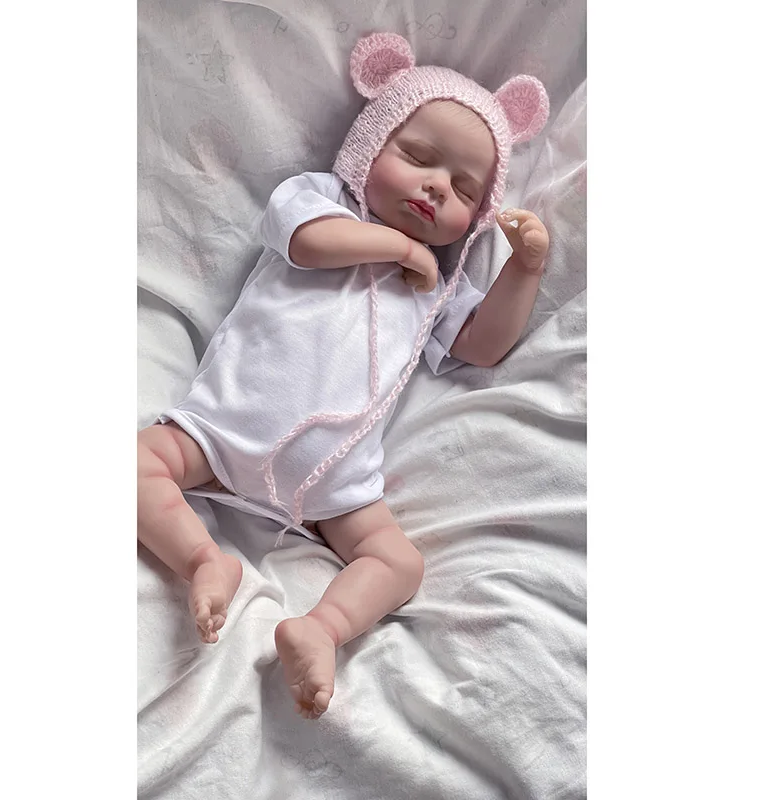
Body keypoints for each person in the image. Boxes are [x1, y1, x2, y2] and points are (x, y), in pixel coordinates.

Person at [137, 32, 550, 720]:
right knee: (133, 464)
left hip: (335, 484)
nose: (436, 186)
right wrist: (399, 249)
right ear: (369, 146)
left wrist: (523, 271)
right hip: (222, 431)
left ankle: (320, 630)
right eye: (418, 157)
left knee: (400, 564)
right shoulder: (321, 200)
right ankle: (203, 561)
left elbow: (482, 346)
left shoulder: (439, 286)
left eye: (463, 189)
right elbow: (307, 243)